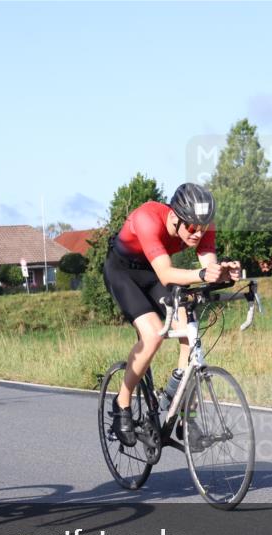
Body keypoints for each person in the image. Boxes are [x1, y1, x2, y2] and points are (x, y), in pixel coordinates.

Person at [103, 183, 240, 445]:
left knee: (190, 330)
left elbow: (207, 266)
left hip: (154, 273)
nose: (198, 234)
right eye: (191, 228)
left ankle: (183, 414)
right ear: (175, 217)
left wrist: (223, 272)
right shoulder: (147, 218)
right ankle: (122, 402)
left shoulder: (201, 225)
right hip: (124, 273)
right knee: (153, 335)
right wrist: (202, 275)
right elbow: (167, 273)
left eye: (203, 228)